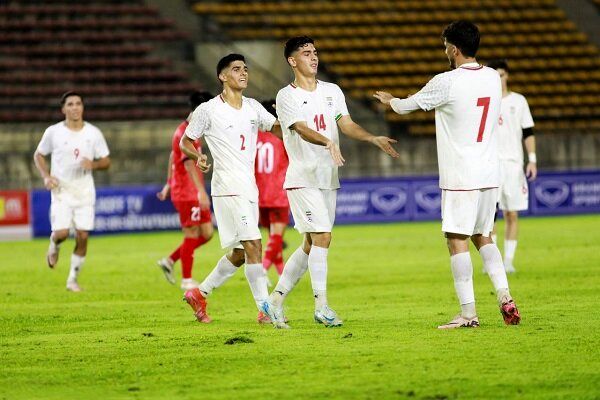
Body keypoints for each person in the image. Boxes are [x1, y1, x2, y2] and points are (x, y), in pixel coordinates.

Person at [374, 21, 521, 328]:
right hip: (488, 173)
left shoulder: (447, 81)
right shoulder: (493, 77)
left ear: (454, 49)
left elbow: (406, 107)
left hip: (461, 175)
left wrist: (391, 101)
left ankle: (468, 314)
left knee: (456, 240)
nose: (444, 51)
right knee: (484, 237)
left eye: (445, 46)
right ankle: (505, 297)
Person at [269, 36, 399, 329]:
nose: (313, 57)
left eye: (315, 52)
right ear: (292, 61)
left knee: (309, 244)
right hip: (303, 177)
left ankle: (274, 300)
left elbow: (347, 124)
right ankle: (321, 306)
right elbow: (301, 129)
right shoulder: (286, 96)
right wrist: (327, 140)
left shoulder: (332, 91)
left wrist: (372, 137)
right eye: (306, 53)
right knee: (323, 237)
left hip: (328, 177)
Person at [179, 54, 284, 326]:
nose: (243, 73)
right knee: (254, 244)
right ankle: (265, 310)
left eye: (245, 69)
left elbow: (277, 128)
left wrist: (300, 128)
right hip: (227, 186)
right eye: (236, 69)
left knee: (240, 253)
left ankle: (200, 293)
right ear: (223, 76)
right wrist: (198, 156)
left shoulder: (252, 107)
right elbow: (186, 142)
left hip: (248, 187)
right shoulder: (208, 109)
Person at [33, 91, 110, 292]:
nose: (75, 107)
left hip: (84, 192)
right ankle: (54, 246)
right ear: (63, 109)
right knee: (61, 233)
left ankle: (72, 280)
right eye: (70, 104)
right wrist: (46, 176)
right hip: (61, 191)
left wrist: (93, 164)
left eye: (78, 103)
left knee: (83, 235)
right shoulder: (54, 132)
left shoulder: (93, 133)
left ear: (82, 107)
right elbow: (39, 155)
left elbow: (106, 160)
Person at [156, 91, 215, 290]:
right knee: (191, 233)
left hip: (187, 189)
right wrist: (201, 192)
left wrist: (167, 183)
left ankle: (171, 260)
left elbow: (173, 157)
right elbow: (189, 164)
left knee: (207, 233)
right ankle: (187, 279)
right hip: (188, 192)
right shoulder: (186, 133)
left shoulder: (189, 130)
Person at [487, 59, 537, 273]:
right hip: (491, 164)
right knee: (490, 214)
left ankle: (508, 260)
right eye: (495, 75)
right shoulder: (486, 102)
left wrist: (532, 159)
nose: (499, 79)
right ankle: (494, 261)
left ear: (507, 75)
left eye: (502, 75)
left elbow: (528, 132)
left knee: (512, 213)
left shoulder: (519, 101)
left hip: (514, 165)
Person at [255, 99, 290, 277]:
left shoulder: (256, 138)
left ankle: (281, 271)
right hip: (279, 192)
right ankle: (263, 270)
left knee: (273, 237)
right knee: (277, 236)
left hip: (260, 194)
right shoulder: (282, 136)